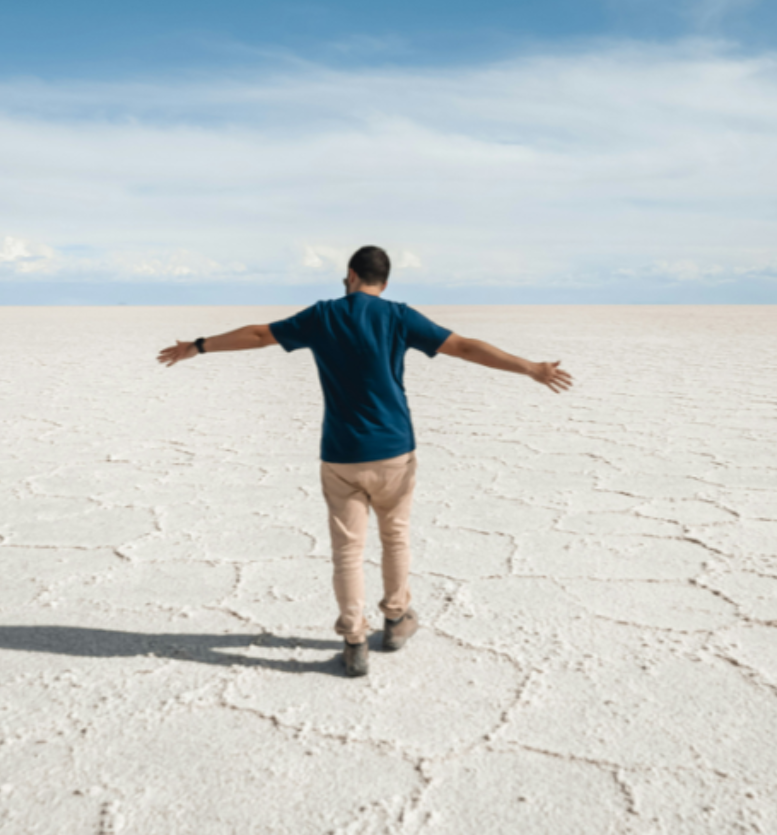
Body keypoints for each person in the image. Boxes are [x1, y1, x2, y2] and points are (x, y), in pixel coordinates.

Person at [157, 245, 573, 678]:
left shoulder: (322, 315)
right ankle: (396, 619)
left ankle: (354, 641)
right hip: (394, 451)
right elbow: (465, 348)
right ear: (384, 283)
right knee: (395, 538)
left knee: (347, 551)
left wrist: (199, 346)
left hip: (341, 454)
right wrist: (531, 368)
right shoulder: (398, 316)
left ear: (351, 275)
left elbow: (259, 335)